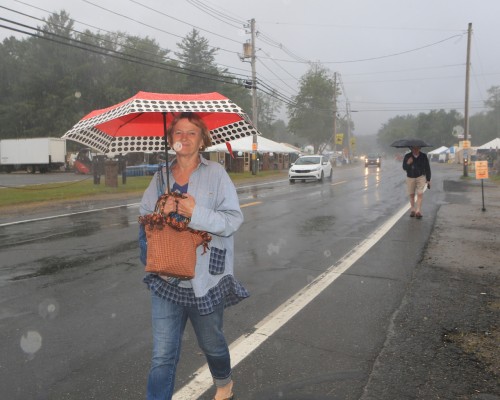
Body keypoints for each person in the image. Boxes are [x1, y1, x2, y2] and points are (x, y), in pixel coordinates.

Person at [139, 112, 248, 400]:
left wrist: (194, 213)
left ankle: (224, 383)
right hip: (166, 276)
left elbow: (232, 220)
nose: (184, 138)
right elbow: (143, 218)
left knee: (212, 344)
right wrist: (157, 213)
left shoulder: (216, 174)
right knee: (162, 355)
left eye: (191, 133)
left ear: (202, 141)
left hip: (205, 279)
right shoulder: (160, 176)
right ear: (170, 139)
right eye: (178, 133)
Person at [402, 145, 431, 219]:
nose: (415, 150)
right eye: (414, 148)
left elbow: (427, 168)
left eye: (417, 148)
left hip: (420, 177)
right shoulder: (407, 156)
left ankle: (418, 211)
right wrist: (408, 162)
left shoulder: (423, 156)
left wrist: (428, 179)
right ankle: (412, 209)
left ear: (420, 148)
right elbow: (404, 167)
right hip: (410, 177)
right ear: (411, 149)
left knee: (420, 193)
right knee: (411, 195)